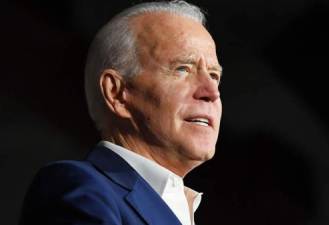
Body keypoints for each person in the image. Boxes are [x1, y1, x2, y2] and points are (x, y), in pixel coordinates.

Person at [19, 1, 223, 225]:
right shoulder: (81, 189)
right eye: (182, 69)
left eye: (214, 75)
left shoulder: (181, 206)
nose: (211, 92)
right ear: (117, 93)